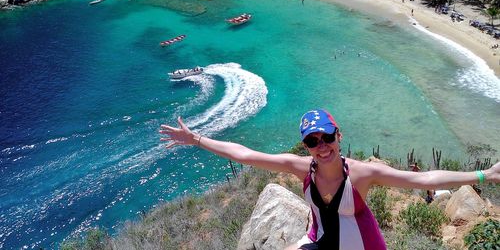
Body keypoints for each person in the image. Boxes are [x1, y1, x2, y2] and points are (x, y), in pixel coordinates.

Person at [159, 109, 500, 250]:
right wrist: (198, 140)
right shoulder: (300, 168)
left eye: (326, 137)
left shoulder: (364, 173)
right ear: (305, 145)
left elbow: (425, 178)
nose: (321, 147)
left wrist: (485, 173)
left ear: (339, 135)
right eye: (312, 141)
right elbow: (244, 155)